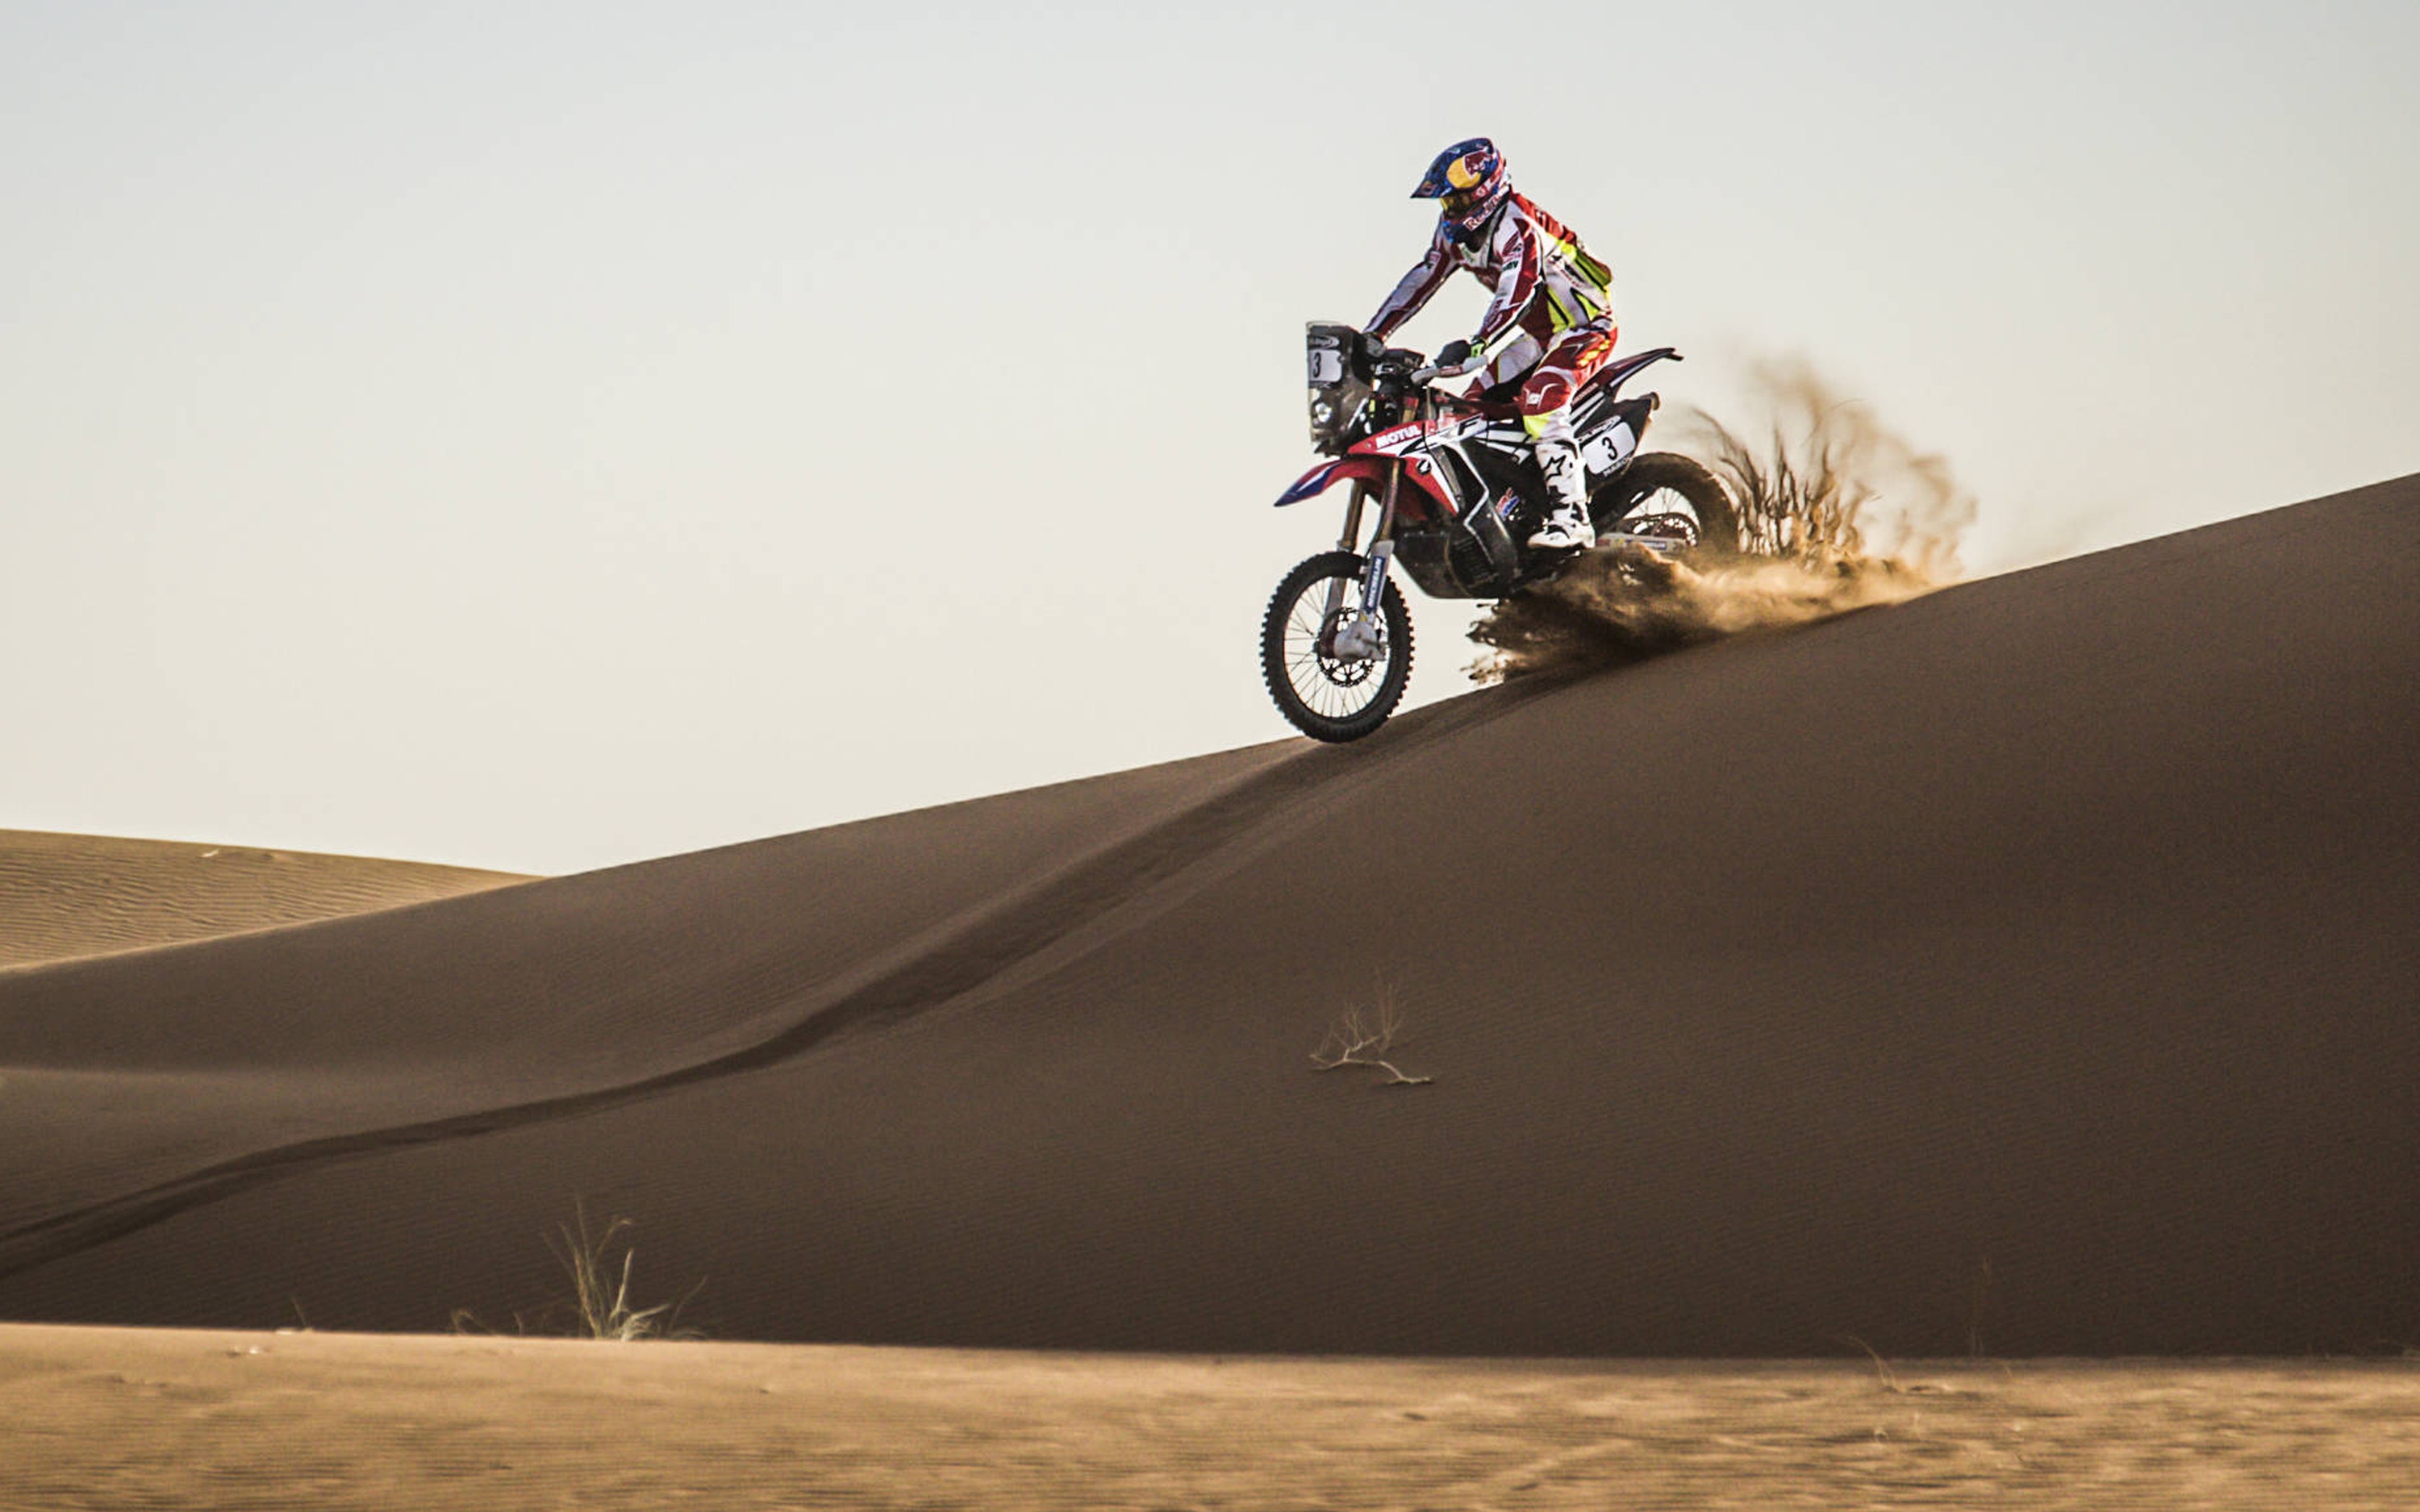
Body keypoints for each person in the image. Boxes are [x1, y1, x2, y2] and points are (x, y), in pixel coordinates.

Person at [1363, 137, 1617, 550]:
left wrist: (1477, 344)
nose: (1451, 211)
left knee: (1542, 398)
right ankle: (1511, 511)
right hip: (1540, 337)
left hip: (1585, 328)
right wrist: (1373, 335)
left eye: (1457, 201)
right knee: (1471, 409)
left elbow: (1516, 290)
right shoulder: (1455, 235)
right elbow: (1421, 278)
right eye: (1447, 203)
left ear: (1483, 193)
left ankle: (1572, 518)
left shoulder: (1517, 223)